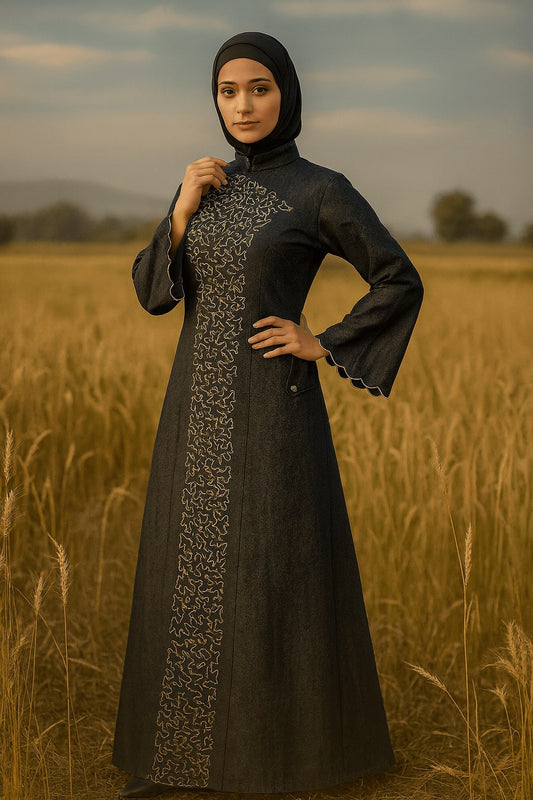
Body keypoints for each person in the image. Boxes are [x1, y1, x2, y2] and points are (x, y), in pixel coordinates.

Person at [113, 31, 423, 799]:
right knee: (189, 571)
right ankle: (180, 763)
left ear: (285, 93)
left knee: (268, 573)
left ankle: (281, 759)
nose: (243, 105)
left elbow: (396, 277)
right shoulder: (205, 185)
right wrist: (181, 210)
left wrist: (322, 341)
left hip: (271, 413)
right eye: (228, 91)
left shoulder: (319, 190)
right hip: (193, 411)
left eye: (259, 88)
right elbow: (153, 293)